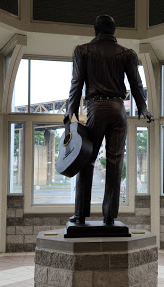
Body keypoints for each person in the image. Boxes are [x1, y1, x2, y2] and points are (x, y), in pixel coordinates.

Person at [64, 15, 153, 226]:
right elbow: (136, 84)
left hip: (96, 108)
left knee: (86, 159)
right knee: (115, 163)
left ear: (95, 30)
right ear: (114, 31)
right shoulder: (127, 53)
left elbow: (76, 82)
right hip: (118, 110)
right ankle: (109, 216)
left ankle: (80, 215)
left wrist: (71, 109)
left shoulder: (82, 50)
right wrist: (143, 108)